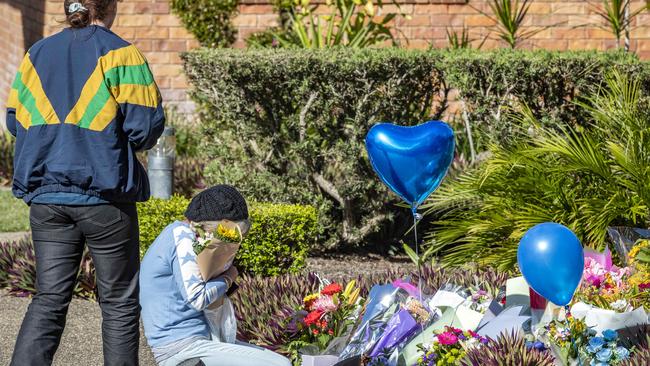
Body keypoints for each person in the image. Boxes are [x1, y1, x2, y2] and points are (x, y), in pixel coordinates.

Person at [6, 0, 165, 365]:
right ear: (109, 8)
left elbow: (14, 122)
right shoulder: (122, 54)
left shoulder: (36, 53)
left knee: (48, 299)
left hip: (47, 199)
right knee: (120, 304)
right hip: (105, 201)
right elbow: (145, 128)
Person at [140, 185, 291, 366]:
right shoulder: (181, 236)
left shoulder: (187, 237)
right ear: (212, 226)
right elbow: (197, 298)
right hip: (181, 348)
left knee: (280, 361)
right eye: (226, 234)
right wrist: (229, 277)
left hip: (200, 339)